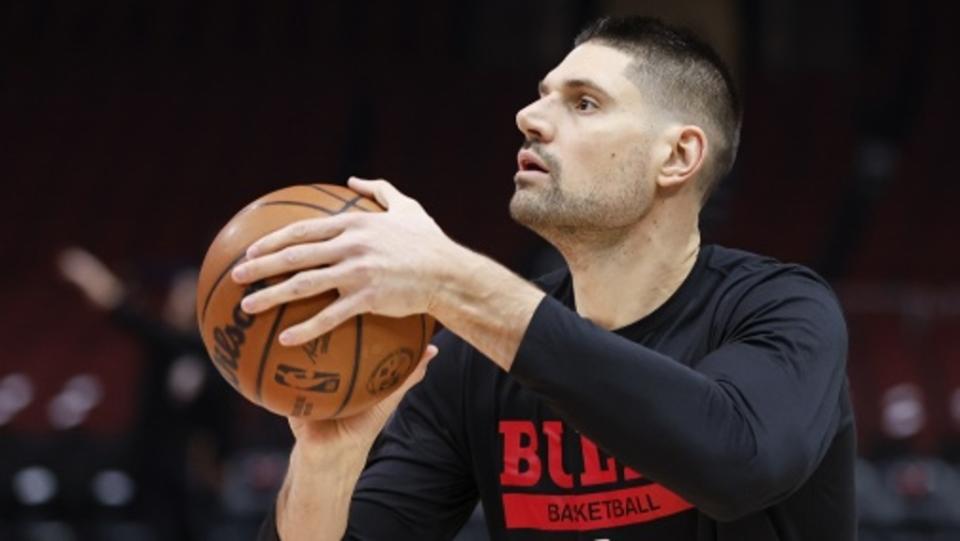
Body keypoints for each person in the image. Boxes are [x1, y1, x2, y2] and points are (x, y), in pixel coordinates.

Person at [235, 16, 854, 540]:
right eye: (542, 94)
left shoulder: (783, 309)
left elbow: (735, 461)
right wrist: (325, 462)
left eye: (584, 103)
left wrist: (448, 277)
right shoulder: (469, 365)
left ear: (678, 157)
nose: (529, 116)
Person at [58, 247, 232, 540]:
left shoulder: (216, 353)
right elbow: (122, 309)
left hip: (198, 471)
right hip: (154, 461)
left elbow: (222, 419)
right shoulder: (163, 341)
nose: (184, 302)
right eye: (181, 295)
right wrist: (90, 276)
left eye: (191, 296)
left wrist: (218, 462)